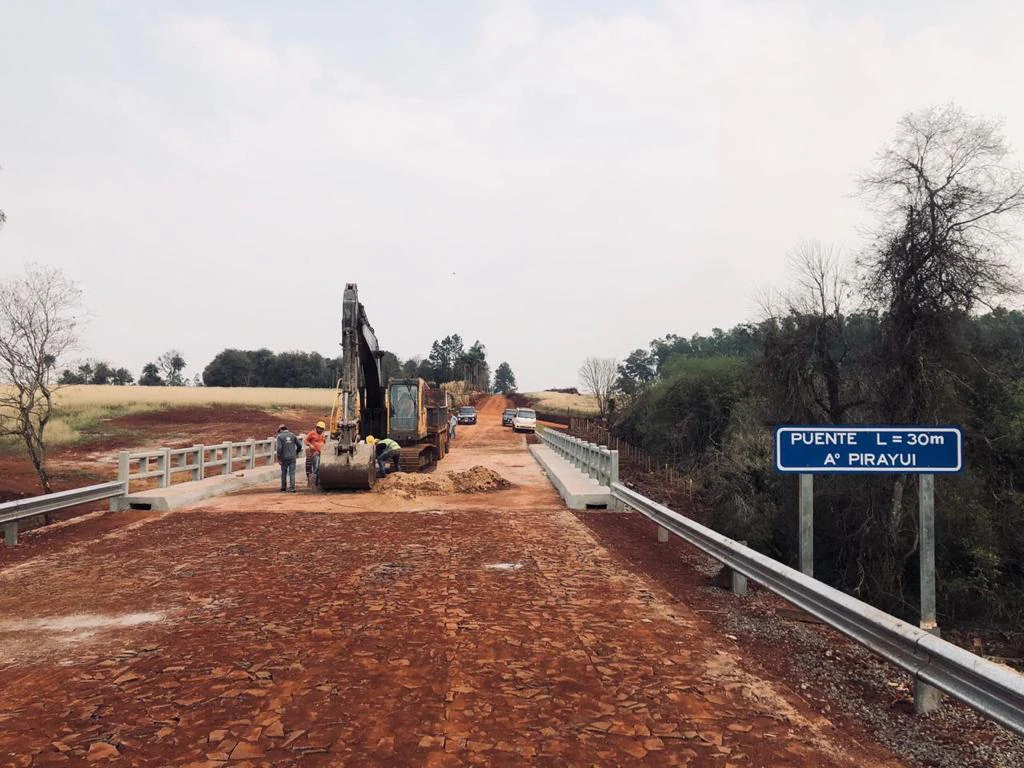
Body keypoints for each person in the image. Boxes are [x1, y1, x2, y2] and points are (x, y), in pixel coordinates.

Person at [275, 424, 301, 492]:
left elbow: (279, 449)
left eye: (279, 431)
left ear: (281, 430)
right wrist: (296, 452)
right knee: (292, 473)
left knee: (284, 472)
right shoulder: (292, 435)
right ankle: (292, 488)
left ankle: (283, 488)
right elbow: (299, 445)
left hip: (284, 458)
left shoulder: (280, 436)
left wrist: (279, 458)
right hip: (293, 457)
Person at [304, 420, 327, 491]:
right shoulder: (312, 433)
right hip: (315, 453)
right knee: (316, 467)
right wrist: (310, 445)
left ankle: (319, 483)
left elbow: (324, 442)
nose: (321, 430)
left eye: (322, 429)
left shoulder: (322, 435)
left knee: (321, 468)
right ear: (317, 428)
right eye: (320, 428)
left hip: (321, 453)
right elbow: (305, 440)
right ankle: (313, 484)